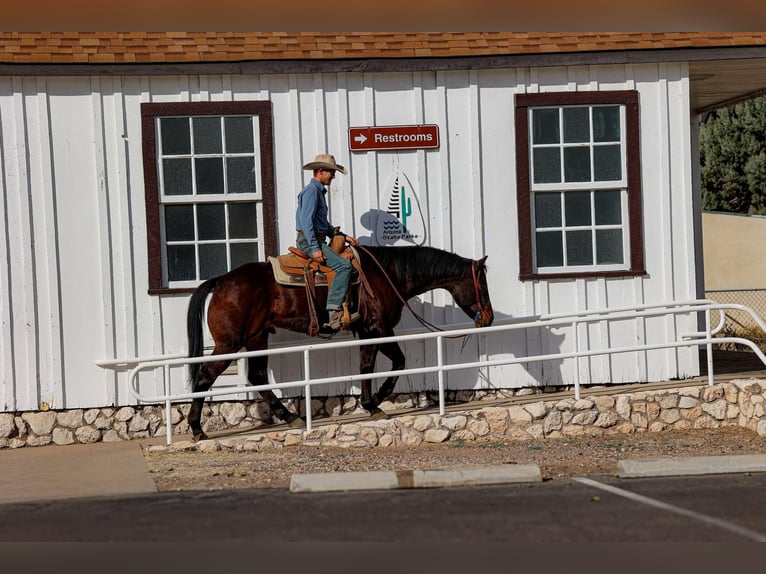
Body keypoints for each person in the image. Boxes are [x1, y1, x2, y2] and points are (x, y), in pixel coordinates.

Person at [296, 153, 361, 337]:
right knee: (343, 266)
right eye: (331, 172)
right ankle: (334, 312)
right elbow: (306, 221)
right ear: (321, 171)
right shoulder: (311, 192)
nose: (333, 176)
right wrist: (315, 248)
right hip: (310, 241)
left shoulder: (317, 192)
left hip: (316, 238)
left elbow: (321, 225)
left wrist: (344, 237)